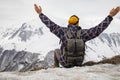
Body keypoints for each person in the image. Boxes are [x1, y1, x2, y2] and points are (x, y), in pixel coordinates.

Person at [34, 4, 120, 68]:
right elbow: (98, 29)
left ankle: (56, 67)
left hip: (66, 64)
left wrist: (40, 14)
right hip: (79, 64)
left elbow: (50, 25)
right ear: (78, 23)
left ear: (69, 23)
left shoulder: (62, 31)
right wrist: (110, 16)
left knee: (56, 51)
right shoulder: (83, 33)